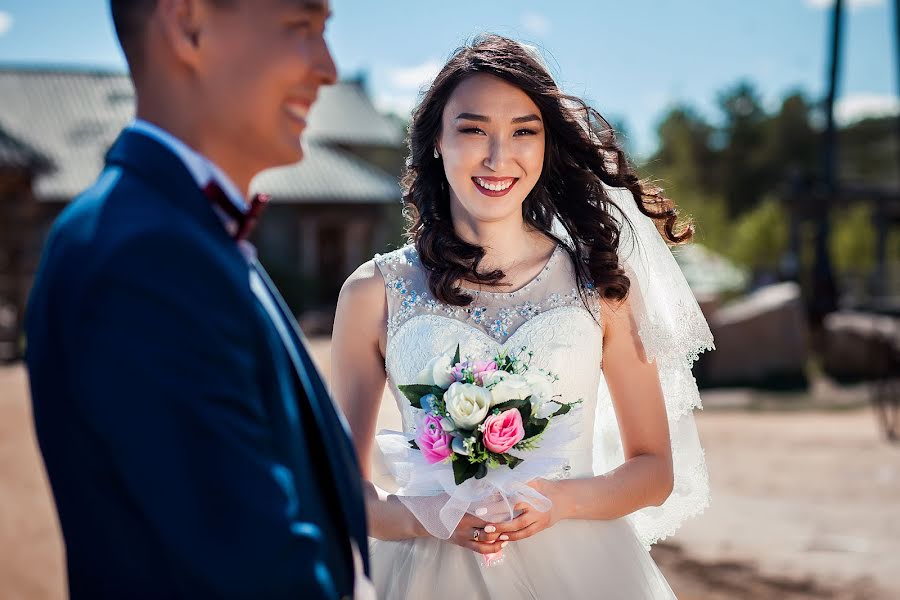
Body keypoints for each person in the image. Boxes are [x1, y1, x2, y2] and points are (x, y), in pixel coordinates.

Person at [332, 34, 713, 598]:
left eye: (522, 132)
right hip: (425, 576)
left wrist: (560, 502)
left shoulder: (600, 284)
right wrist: (430, 515)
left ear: (546, 145)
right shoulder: (373, 292)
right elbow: (339, 492)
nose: (496, 157)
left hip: (584, 572)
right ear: (436, 140)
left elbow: (654, 472)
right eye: (472, 129)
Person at [25, 1, 370, 598]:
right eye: (302, 27)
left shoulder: (178, 231)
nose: (329, 68)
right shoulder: (145, 258)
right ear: (188, 25)